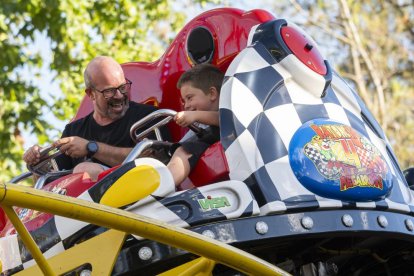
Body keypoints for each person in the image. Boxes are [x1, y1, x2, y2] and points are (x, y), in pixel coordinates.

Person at [23, 56, 169, 181]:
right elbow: (52, 182)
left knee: (86, 170)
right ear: (91, 94)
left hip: (140, 196)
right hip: (82, 208)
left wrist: (90, 148)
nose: (119, 95)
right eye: (110, 91)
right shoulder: (74, 131)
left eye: (123, 87)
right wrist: (40, 162)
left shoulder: (148, 117)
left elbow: (157, 161)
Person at [167, 64, 224, 186]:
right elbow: (182, 142)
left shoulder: (228, 112)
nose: (186, 105)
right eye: (184, 100)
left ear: (212, 94)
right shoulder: (199, 126)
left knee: (184, 150)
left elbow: (224, 118)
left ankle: (162, 187)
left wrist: (196, 115)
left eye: (189, 98)